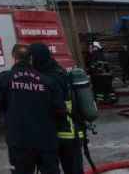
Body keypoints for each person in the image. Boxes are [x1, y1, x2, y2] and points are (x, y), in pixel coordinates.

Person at [0, 44, 65, 174]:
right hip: (46, 141)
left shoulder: (4, 79)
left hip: (19, 142)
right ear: (31, 59)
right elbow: (60, 111)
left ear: (14, 58)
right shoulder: (48, 81)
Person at [29, 43, 84, 174]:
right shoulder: (59, 71)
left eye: (31, 58)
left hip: (58, 134)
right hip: (71, 133)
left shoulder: (44, 79)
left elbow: (54, 108)